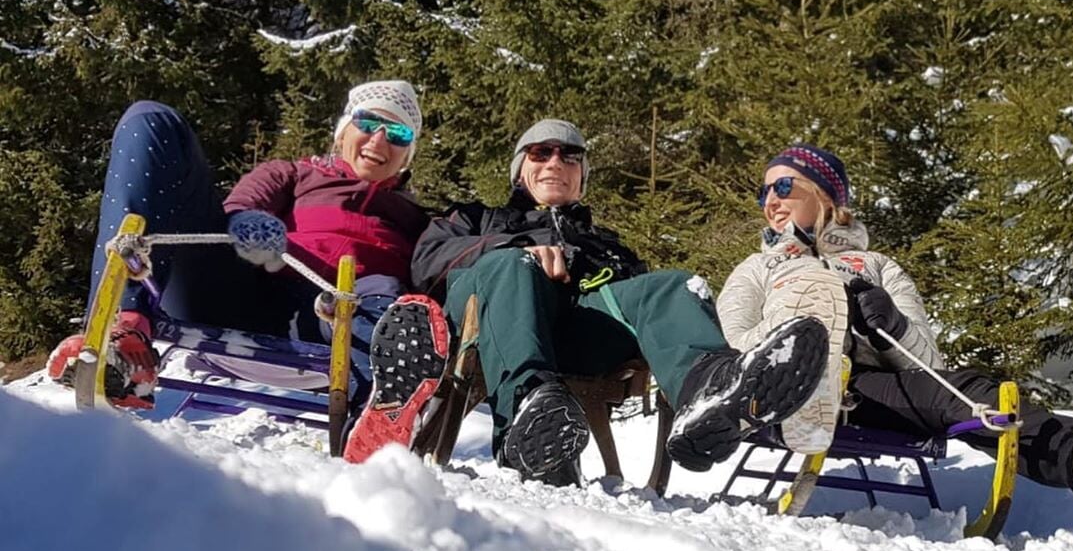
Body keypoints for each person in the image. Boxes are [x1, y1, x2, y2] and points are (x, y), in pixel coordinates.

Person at [345, 118, 833, 482]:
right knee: (514, 267)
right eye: (540, 153)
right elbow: (427, 261)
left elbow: (640, 309)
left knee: (671, 285)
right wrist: (516, 249)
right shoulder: (479, 218)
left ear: (581, 174)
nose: (555, 162)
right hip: (493, 320)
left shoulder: (606, 243)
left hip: (579, 330)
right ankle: (530, 417)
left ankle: (711, 393)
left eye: (569, 155)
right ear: (521, 169)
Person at [48, 80, 433, 456]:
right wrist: (246, 224)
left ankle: (379, 418)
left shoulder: (417, 220)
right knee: (151, 118)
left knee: (394, 306)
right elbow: (241, 205)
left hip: (342, 326)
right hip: (236, 293)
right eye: (367, 123)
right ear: (342, 129)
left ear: (408, 154)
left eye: (398, 133)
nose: (379, 141)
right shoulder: (294, 174)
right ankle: (123, 333)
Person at [717, 144, 1073, 495]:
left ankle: (1070, 454)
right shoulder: (757, 268)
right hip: (785, 389)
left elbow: (930, 365)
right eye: (763, 192)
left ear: (825, 195)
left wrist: (890, 326)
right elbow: (733, 347)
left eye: (783, 186)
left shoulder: (876, 266)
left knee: (968, 393)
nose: (771, 201)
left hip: (863, 392)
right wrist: (800, 321)